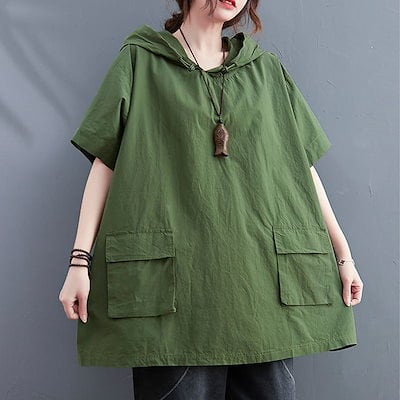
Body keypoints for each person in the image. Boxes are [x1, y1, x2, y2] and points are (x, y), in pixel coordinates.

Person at [58, 0, 364, 398]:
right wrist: (79, 261)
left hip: (261, 295)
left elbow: (301, 168)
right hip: (175, 305)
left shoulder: (266, 71)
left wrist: (343, 255)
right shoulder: (140, 61)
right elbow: (105, 164)